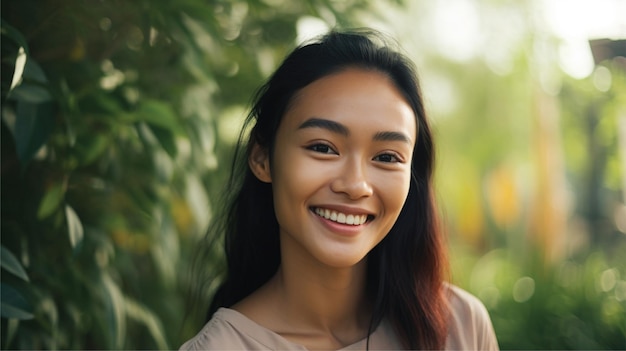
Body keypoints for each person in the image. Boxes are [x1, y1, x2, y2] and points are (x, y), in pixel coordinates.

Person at [180, 28, 499, 350]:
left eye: (387, 157)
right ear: (262, 157)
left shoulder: (460, 326)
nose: (355, 185)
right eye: (323, 147)